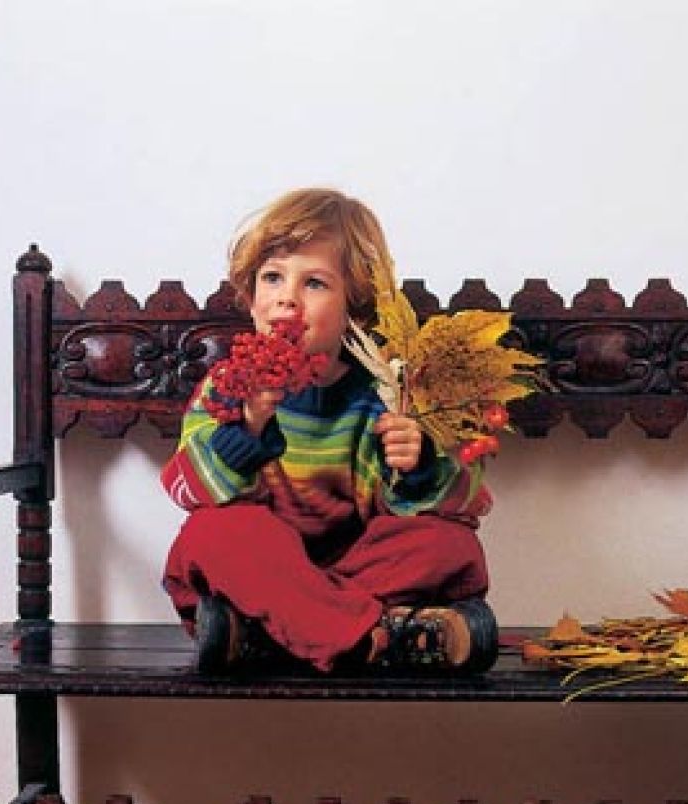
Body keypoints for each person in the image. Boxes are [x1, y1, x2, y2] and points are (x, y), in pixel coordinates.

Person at [160, 187, 499, 675]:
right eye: (272, 277)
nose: (287, 298)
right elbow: (184, 489)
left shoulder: (386, 395)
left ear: (354, 311)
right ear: (252, 300)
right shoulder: (228, 386)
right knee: (214, 534)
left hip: (355, 567)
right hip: (260, 567)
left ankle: (273, 632)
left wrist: (420, 464)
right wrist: (246, 430)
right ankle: (375, 634)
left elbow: (468, 505)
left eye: (315, 283)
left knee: (449, 545)